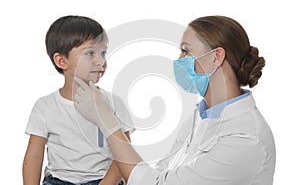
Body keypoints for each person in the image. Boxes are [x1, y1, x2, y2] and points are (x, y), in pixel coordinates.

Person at [74, 15, 276, 185]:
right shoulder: (201, 116)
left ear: (216, 57)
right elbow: (161, 173)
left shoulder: (245, 138)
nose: (179, 59)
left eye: (186, 51)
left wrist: (106, 121)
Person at [22, 15, 134, 185]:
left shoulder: (113, 103)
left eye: (103, 53)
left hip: (102, 180)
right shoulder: (45, 106)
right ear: (61, 61)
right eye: (90, 53)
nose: (101, 61)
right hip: (58, 181)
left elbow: (124, 153)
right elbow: (34, 155)